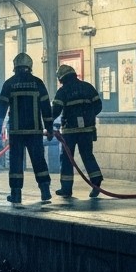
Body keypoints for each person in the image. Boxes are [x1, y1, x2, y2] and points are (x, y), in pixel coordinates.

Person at [0, 53, 53, 204]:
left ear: (15, 67)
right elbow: (46, 108)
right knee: (39, 161)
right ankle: (45, 191)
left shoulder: (9, 83)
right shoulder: (38, 83)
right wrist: (49, 128)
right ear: (30, 66)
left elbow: (1, 107)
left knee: (16, 163)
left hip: (16, 132)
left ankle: (16, 194)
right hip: (34, 131)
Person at [50, 63, 104, 198]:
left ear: (61, 79)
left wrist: (47, 121)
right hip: (87, 130)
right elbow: (98, 106)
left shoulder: (63, 91)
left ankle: (66, 188)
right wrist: (89, 117)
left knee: (67, 158)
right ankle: (96, 183)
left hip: (70, 131)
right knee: (87, 155)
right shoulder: (87, 87)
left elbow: (55, 111)